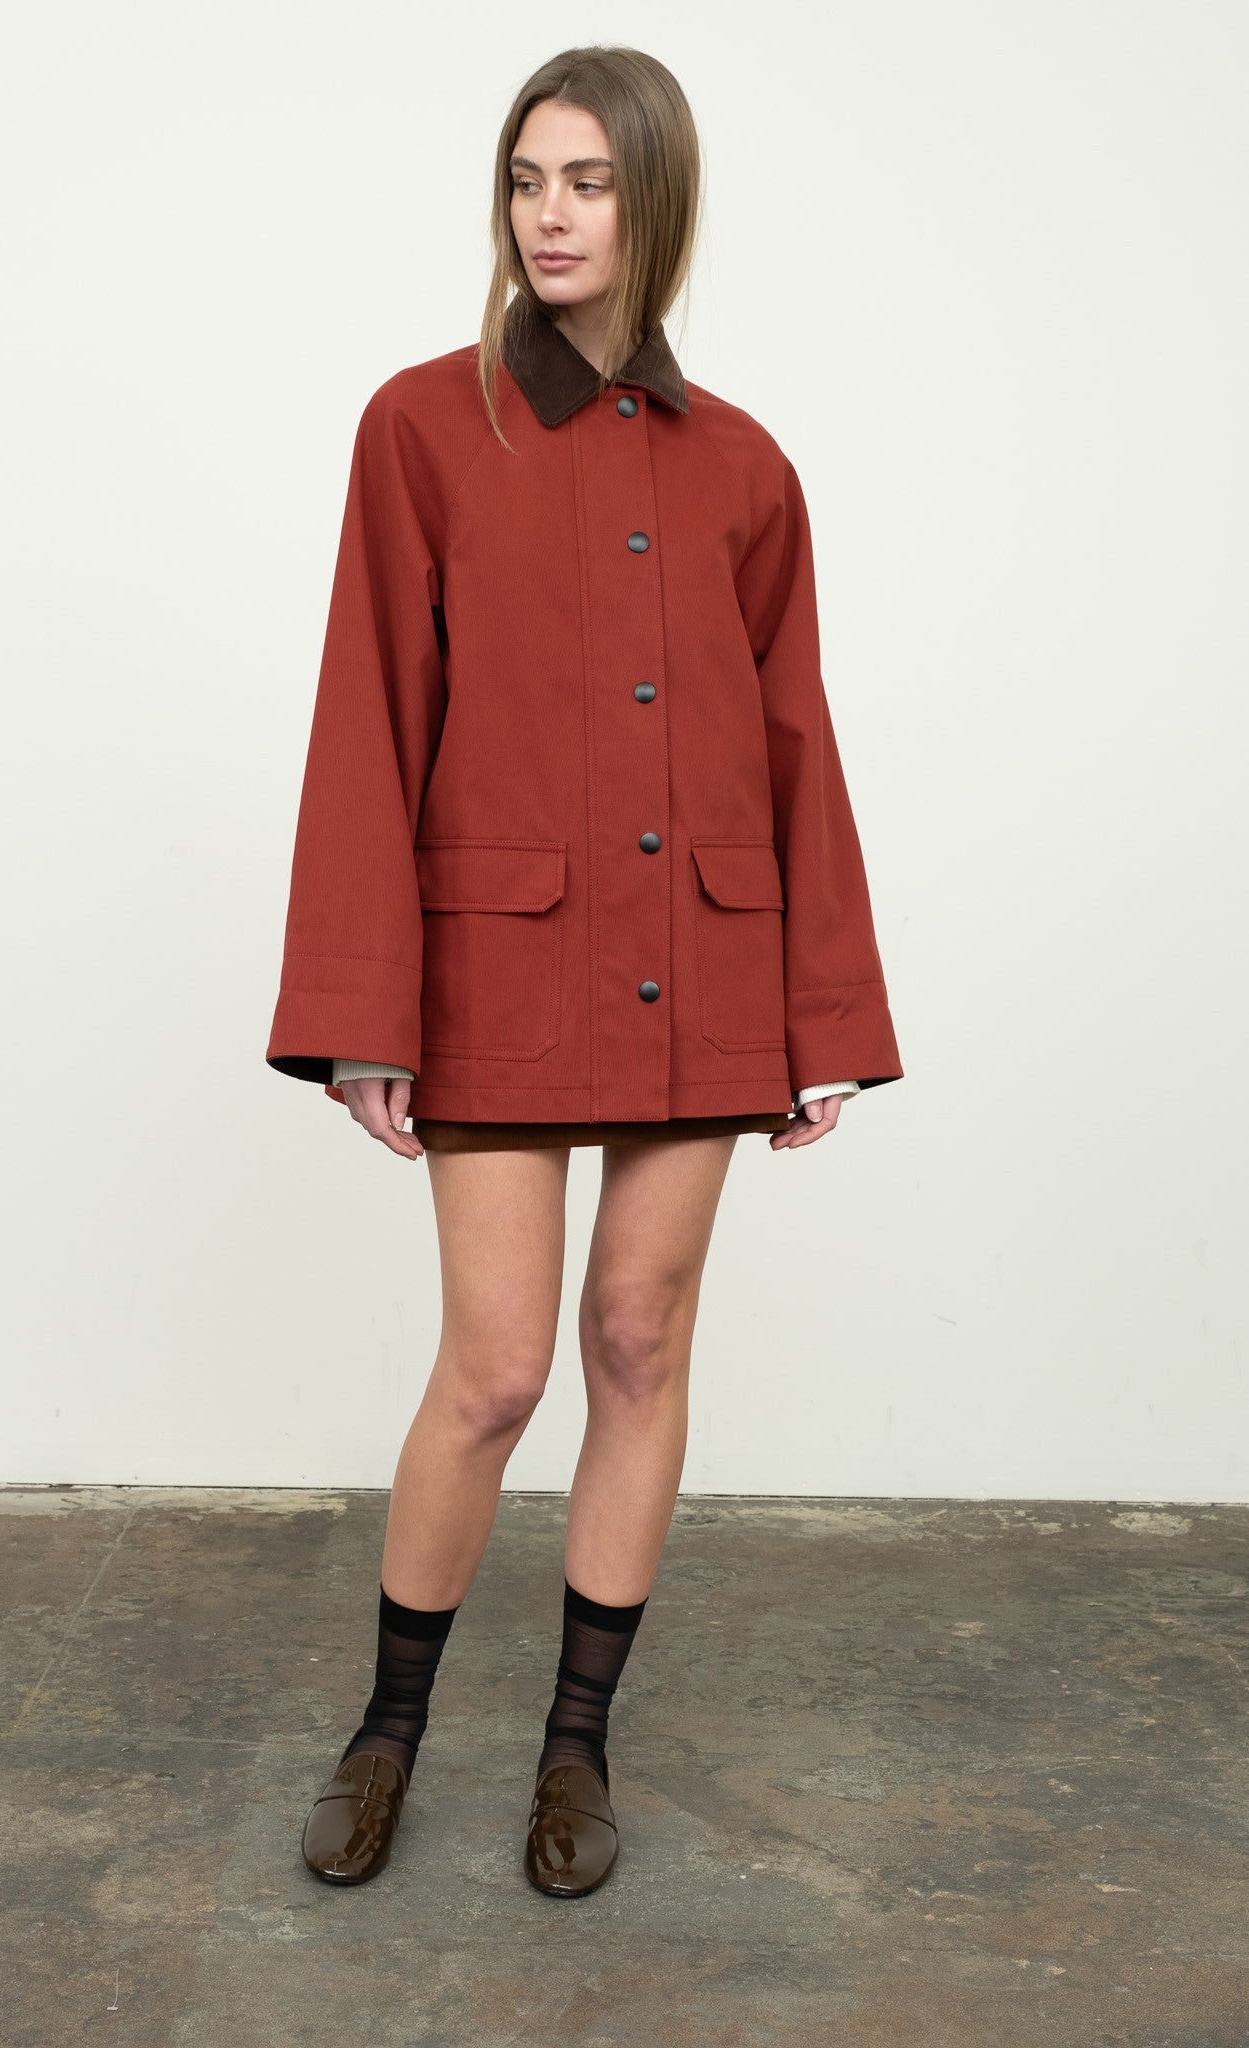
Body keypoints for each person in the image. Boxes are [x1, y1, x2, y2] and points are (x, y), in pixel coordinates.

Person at [265, 45, 903, 1900]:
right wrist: (360, 1017)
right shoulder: (418, 427)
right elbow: (368, 721)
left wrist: (825, 1019)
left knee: (638, 1342)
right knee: (491, 1371)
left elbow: (794, 742)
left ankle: (575, 1753)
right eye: (525, 179)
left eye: (588, 183)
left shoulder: (745, 467)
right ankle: (386, 1735)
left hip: (702, 968)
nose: (548, 216)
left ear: (653, 202)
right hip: (497, 969)